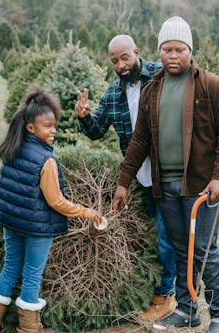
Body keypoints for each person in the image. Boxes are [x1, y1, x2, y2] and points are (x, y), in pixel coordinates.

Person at [113, 16, 219, 333]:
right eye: (166, 49)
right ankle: (186, 310)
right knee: (182, 250)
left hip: (200, 187)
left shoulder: (210, 85)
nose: (172, 55)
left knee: (205, 252)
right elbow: (139, 140)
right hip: (165, 186)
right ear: (159, 51)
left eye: (179, 49)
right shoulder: (152, 90)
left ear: (189, 50)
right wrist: (123, 183)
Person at [0, 86, 102, 333]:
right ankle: (29, 329)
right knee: (32, 274)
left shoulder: (11, 149)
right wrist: (88, 212)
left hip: (12, 223)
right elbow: (56, 201)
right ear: (30, 127)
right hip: (37, 229)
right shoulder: (46, 160)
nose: (53, 130)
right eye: (47, 126)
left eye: (54, 124)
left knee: (11, 266)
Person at [74, 34, 177, 321]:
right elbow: (95, 131)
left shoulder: (159, 75)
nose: (120, 65)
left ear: (136, 53)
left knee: (166, 235)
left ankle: (166, 294)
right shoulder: (112, 95)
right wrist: (83, 116)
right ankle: (157, 287)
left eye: (125, 58)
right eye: (114, 61)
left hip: (166, 172)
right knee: (151, 236)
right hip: (138, 178)